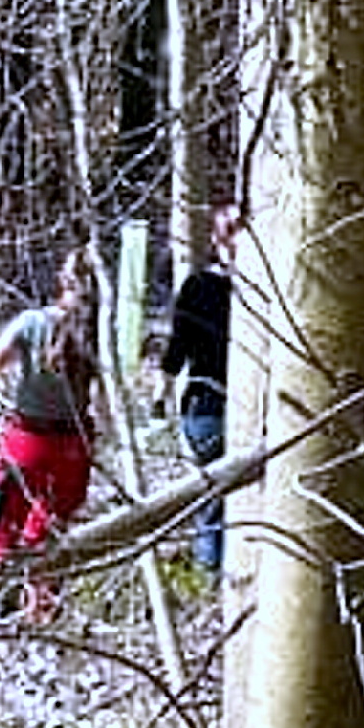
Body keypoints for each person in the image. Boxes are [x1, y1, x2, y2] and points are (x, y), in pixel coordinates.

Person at [0, 248, 104, 620]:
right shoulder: (99, 331)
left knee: (1, 520)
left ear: (62, 282)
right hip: (75, 445)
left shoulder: (33, 323)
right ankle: (41, 607)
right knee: (49, 528)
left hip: (29, 442)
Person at [160, 205, 237, 573]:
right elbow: (176, 351)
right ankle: (214, 574)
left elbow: (174, 354)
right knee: (216, 494)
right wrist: (161, 396)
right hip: (210, 405)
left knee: (219, 496)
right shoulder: (201, 287)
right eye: (234, 231)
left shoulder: (267, 291)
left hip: (249, 406)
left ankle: (218, 570)